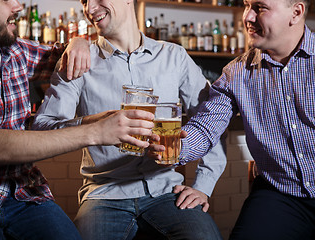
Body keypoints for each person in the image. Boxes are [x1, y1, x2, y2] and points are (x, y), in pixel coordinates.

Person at [0, 0, 156, 239]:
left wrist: (78, 42)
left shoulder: (16, 51)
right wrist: (97, 132)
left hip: (25, 194)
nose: (18, 6)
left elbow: (70, 57)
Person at [32, 0, 227, 239]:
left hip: (166, 190)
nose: (89, 8)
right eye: (84, 1)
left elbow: (213, 119)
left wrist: (202, 186)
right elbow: (42, 128)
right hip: (103, 194)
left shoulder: (173, 56)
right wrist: (95, 125)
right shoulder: (79, 58)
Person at [151, 0, 315, 239]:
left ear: (296, 12)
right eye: (247, 5)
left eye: (259, 7)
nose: (247, 17)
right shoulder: (236, 73)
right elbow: (205, 128)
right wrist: (172, 146)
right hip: (280, 194)